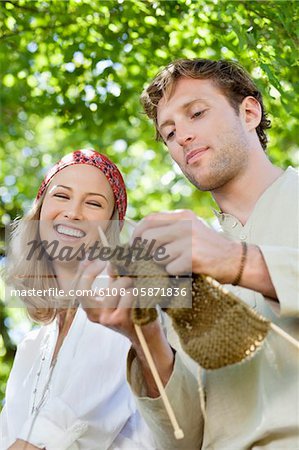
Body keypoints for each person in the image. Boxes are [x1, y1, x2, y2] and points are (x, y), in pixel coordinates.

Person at [82, 60, 299, 449]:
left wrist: (238, 262)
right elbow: (184, 438)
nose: (181, 135)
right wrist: (144, 335)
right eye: (168, 133)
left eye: (196, 113)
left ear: (249, 112)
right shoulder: (184, 267)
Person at [0, 149, 157, 450]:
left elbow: (57, 433)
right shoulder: (30, 350)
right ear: (40, 211)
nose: (73, 212)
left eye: (94, 203)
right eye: (61, 196)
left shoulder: (121, 307)